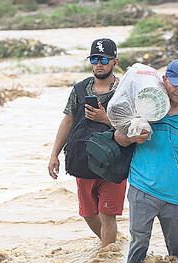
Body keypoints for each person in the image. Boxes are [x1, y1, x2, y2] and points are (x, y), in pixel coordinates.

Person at [114, 59, 178, 263]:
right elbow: (118, 137)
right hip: (142, 189)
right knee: (138, 248)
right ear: (165, 80)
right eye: (176, 84)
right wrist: (133, 137)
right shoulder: (145, 103)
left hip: (176, 192)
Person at [47, 38, 125, 246]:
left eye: (104, 59)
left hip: (114, 162)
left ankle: (107, 260)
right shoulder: (80, 89)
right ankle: (111, 247)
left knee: (108, 214)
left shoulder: (124, 90)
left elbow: (133, 126)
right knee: (89, 214)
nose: (99, 64)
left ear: (114, 61)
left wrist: (105, 118)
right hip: (83, 160)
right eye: (94, 59)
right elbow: (68, 119)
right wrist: (54, 154)